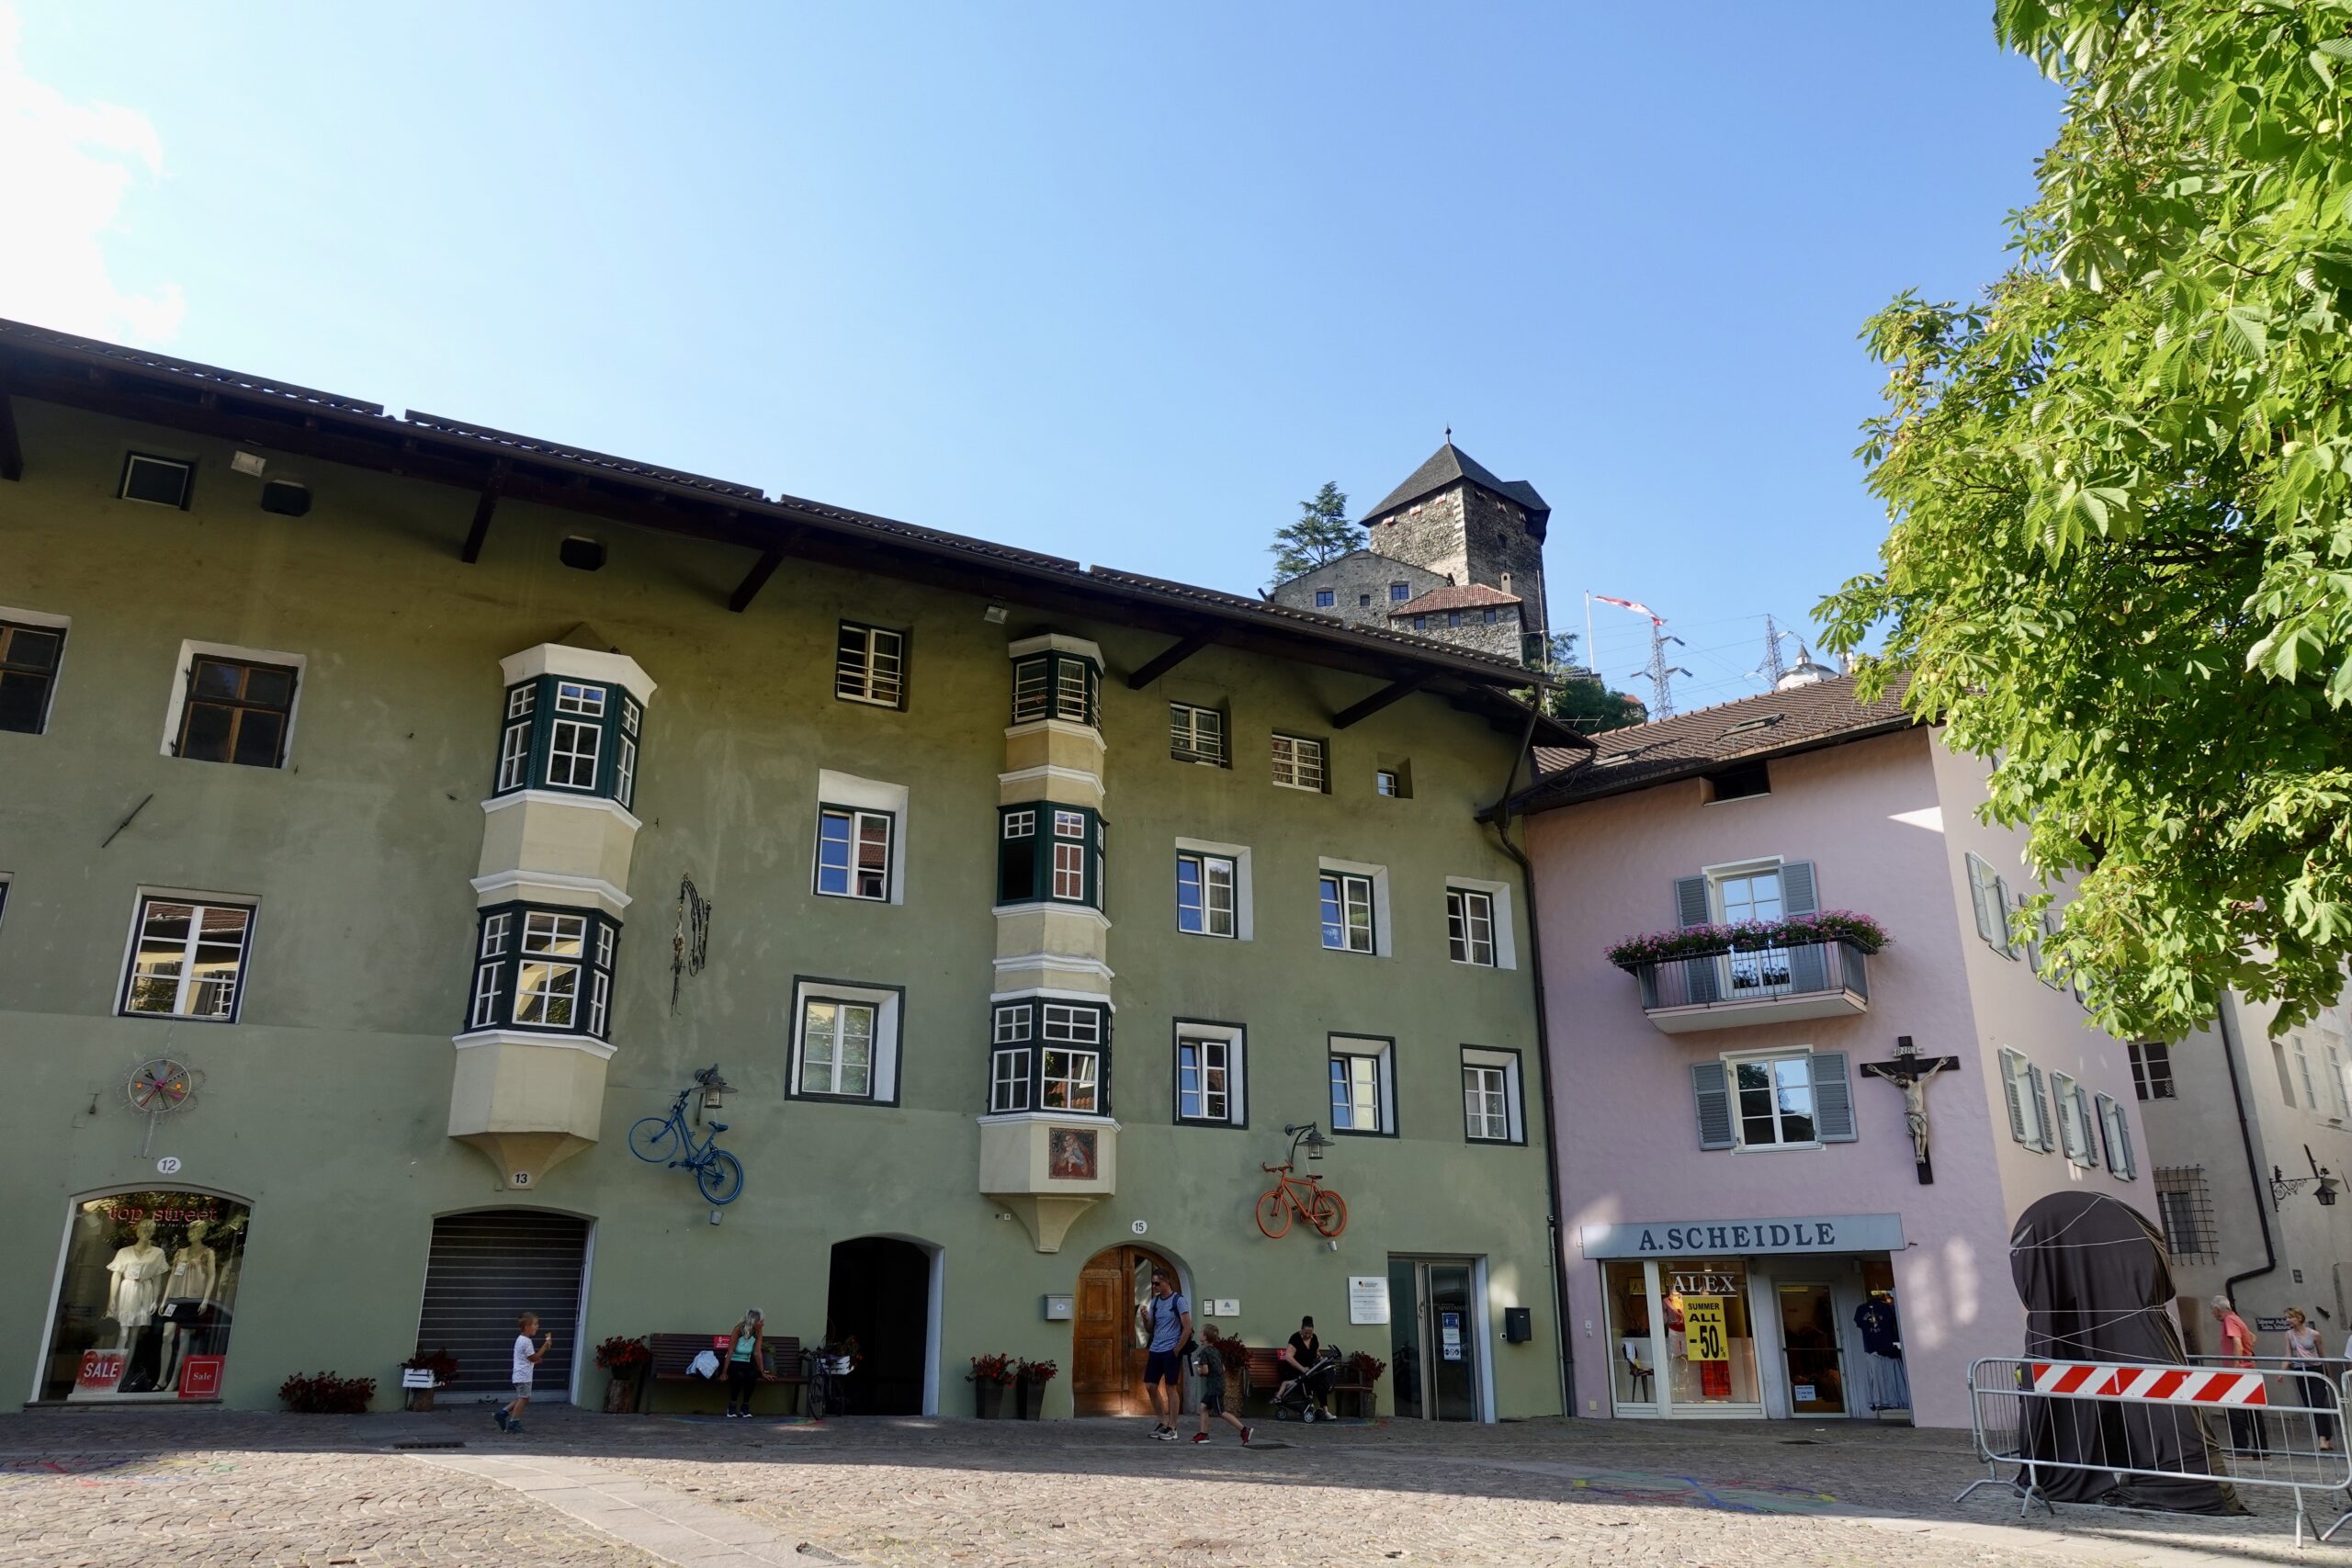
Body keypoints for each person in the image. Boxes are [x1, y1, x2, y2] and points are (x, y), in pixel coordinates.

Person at [1135, 1269, 1190, 1441]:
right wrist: (1144, 1319)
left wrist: (1177, 1349)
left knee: (1171, 1387)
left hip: (1171, 1350)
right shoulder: (1155, 1302)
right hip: (1156, 1349)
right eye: (1153, 1283)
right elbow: (1150, 1328)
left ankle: (1173, 1427)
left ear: (1167, 1282)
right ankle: (1162, 1422)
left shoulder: (1178, 1301)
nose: (1154, 1286)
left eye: (1157, 1283)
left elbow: (1187, 1326)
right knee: (1150, 1386)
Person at [2211, 1295, 2266, 1456]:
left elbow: (2237, 1343)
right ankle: (2262, 1450)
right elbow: (2252, 1337)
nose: (2213, 1314)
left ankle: (2242, 1450)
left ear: (2217, 1310)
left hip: (2239, 1371)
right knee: (2253, 1412)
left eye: (2212, 1311)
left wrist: (2235, 1367)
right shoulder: (2237, 1318)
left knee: (2236, 1413)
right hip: (2249, 1368)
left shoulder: (2229, 1321)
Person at [2285, 1307, 2335, 1451]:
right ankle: (2327, 1436)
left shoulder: (2314, 1335)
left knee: (2318, 1403)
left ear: (2299, 1318)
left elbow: (2322, 1354)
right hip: (2300, 1371)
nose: (2288, 1320)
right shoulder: (2288, 1335)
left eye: (2290, 1317)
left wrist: (2329, 1375)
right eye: (2286, 1318)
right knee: (2311, 1405)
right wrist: (2281, 1372)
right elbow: (2287, 1354)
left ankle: (2322, 1438)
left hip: (2316, 1370)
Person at [1189, 1337, 1252, 1446]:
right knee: (1203, 1406)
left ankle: (1244, 1430)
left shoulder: (1204, 1352)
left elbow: (1205, 1370)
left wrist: (1199, 1370)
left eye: (1201, 1334)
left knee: (1221, 1412)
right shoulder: (1217, 1351)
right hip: (1217, 1385)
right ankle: (1203, 1434)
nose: (1200, 1336)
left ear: (1205, 1337)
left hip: (1214, 1387)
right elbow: (1222, 1368)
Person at [498, 1312, 553, 1434]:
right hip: (523, 1375)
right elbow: (532, 1357)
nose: (537, 1326)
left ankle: (503, 1413)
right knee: (524, 1398)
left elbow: (527, 1358)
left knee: (524, 1398)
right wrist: (545, 1347)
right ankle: (514, 1421)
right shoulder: (526, 1342)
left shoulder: (521, 1339)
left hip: (520, 1374)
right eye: (535, 1324)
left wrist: (536, 1360)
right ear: (527, 1326)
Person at [724, 1308, 765, 1419]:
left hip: (747, 1362)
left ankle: (745, 1406)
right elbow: (730, 1351)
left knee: (752, 1376)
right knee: (739, 1376)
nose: (763, 1324)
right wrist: (724, 1372)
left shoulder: (758, 1332)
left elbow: (757, 1352)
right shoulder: (738, 1329)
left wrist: (762, 1371)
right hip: (735, 1362)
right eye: (761, 1321)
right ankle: (732, 1406)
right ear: (753, 1321)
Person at [1276, 1314, 1323, 1414]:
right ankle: (1307, 1404)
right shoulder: (1295, 1338)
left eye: (1310, 1333)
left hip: (1309, 1370)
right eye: (1306, 1333)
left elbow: (1317, 1352)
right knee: (1306, 1379)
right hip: (1295, 1370)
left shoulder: (1314, 1338)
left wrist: (1319, 1358)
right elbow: (1288, 1357)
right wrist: (1302, 1368)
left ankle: (1324, 1410)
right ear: (1301, 1330)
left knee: (1321, 1380)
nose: (1308, 1336)